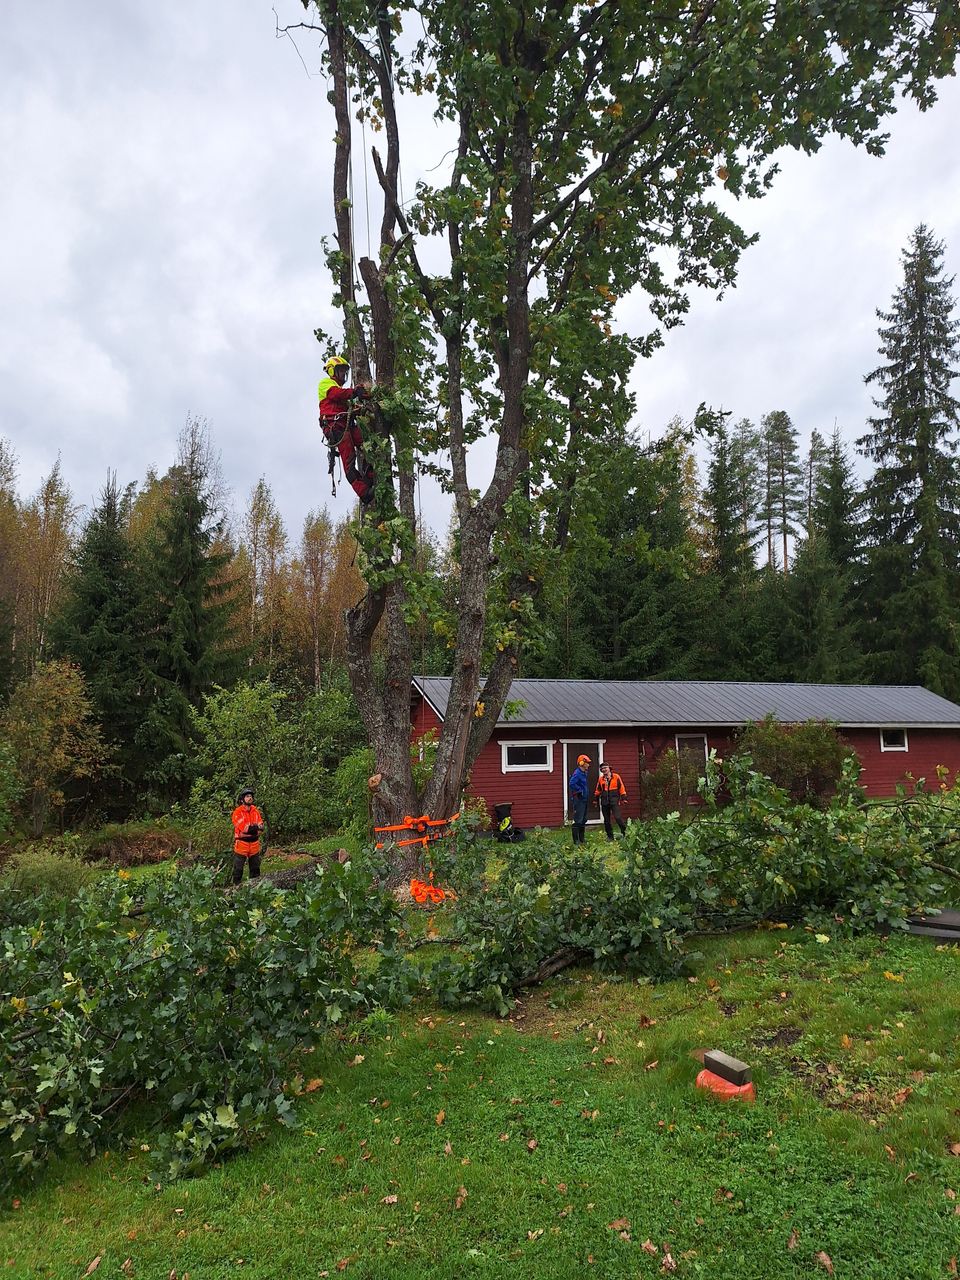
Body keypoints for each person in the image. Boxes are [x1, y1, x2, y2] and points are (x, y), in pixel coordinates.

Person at [318, 355, 375, 504]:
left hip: (347, 426)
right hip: (335, 427)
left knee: (367, 445)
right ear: (332, 371)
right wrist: (355, 392)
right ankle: (364, 492)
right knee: (349, 460)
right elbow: (336, 395)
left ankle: (370, 475)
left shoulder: (342, 392)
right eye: (341, 371)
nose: (343, 374)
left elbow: (348, 406)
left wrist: (363, 406)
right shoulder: (326, 384)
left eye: (345, 372)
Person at [231, 787, 265, 884]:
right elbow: (244, 829)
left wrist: (251, 829)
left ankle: (255, 889)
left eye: (251, 796)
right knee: (238, 869)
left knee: (255, 869)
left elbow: (261, 827)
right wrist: (255, 828)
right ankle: (235, 889)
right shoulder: (237, 812)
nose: (250, 798)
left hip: (254, 844)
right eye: (247, 796)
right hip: (242, 844)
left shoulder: (255, 811)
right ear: (242, 799)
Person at [595, 762, 627, 840]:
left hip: (614, 800)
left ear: (609, 768)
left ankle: (625, 833)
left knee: (618, 817)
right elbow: (598, 790)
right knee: (606, 820)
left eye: (605, 768)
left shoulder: (616, 777)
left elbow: (621, 788)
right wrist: (595, 800)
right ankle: (610, 836)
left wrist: (624, 798)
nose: (604, 770)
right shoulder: (601, 779)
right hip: (604, 801)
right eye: (602, 769)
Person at [568, 753, 590, 845]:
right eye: (587, 763)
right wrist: (580, 791)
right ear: (581, 763)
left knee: (584, 819)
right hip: (579, 799)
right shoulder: (577, 773)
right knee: (578, 819)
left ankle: (582, 839)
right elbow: (572, 783)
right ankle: (576, 841)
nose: (588, 764)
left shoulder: (584, 773)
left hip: (584, 799)